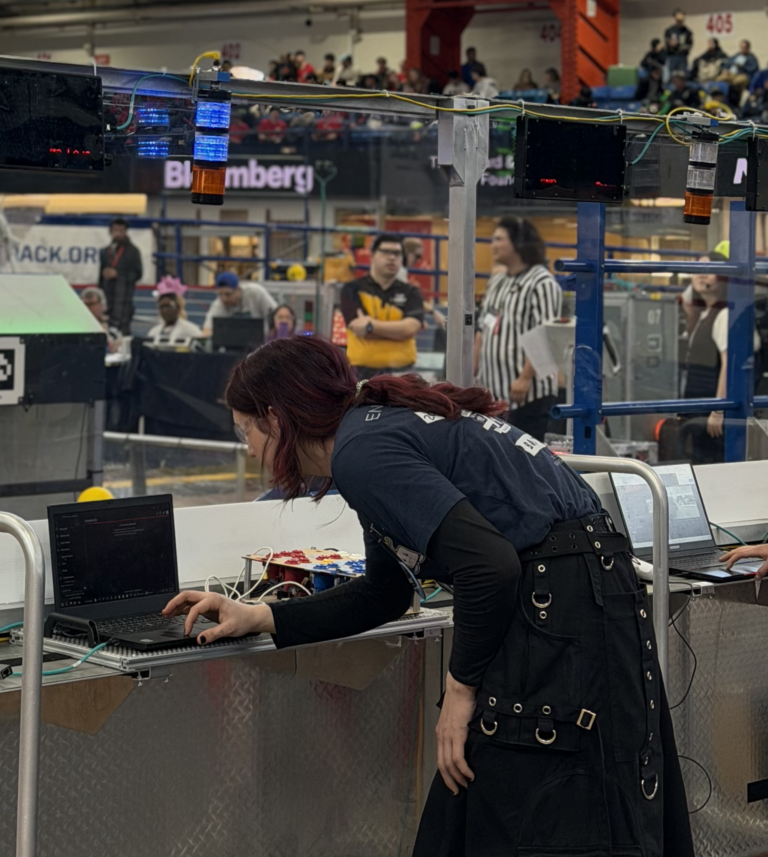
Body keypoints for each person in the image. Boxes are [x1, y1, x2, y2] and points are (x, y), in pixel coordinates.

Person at [162, 335, 694, 857]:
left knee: (533, 814)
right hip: (585, 600)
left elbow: (490, 565)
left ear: (276, 419)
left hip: (560, 618)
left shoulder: (363, 453)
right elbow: (383, 595)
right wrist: (260, 615)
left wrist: (458, 696)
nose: (250, 451)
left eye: (245, 433)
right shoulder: (375, 433)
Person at [475, 217, 561, 441]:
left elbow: (544, 333)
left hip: (529, 394)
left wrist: (524, 378)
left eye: (499, 239)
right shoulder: (497, 281)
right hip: (493, 391)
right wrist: (472, 371)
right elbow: (483, 326)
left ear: (519, 243)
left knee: (524, 457)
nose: (493, 245)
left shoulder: (542, 283)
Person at [678, 252, 760, 463]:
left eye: (710, 271)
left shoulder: (725, 314)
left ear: (723, 277)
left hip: (711, 414)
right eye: (697, 270)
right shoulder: (702, 313)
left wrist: (718, 410)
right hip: (698, 410)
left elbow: (729, 365)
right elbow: (687, 297)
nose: (701, 275)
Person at [341, 233, 424, 378]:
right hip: (361, 373)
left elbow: (411, 328)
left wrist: (370, 326)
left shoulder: (412, 292)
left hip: (403, 373)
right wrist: (398, 332)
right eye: (385, 252)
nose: (392, 257)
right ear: (372, 256)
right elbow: (357, 327)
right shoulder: (352, 289)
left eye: (397, 253)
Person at [98, 218, 142, 336]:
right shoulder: (106, 251)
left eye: (121, 230)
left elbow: (138, 274)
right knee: (106, 330)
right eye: (115, 230)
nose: (117, 233)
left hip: (124, 299)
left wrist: (118, 274)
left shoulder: (133, 251)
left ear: (125, 232)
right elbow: (100, 278)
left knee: (123, 333)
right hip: (108, 296)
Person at [202, 272, 277, 337]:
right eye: (220, 294)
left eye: (228, 294)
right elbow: (207, 329)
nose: (224, 299)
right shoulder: (218, 304)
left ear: (238, 289)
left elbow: (276, 313)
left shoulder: (256, 293)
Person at [146, 276, 202, 344]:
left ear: (178, 307)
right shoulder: (154, 332)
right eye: (162, 307)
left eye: (168, 306)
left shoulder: (191, 331)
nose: (165, 310)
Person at [80, 286, 121, 353]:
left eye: (92, 304)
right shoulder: (77, 326)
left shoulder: (112, 325)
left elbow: (116, 345)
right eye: (85, 305)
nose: (88, 308)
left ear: (101, 305)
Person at [722, 40, 760, 104]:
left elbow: (753, 69)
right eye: (741, 48)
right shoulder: (736, 56)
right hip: (731, 74)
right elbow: (728, 63)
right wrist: (725, 69)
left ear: (748, 48)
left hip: (743, 75)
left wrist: (742, 67)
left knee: (736, 83)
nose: (743, 49)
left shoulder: (751, 58)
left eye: (744, 48)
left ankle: (733, 102)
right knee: (719, 79)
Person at [663, 9, 693, 74]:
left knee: (682, 75)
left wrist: (683, 47)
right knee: (671, 76)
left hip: (682, 57)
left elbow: (690, 44)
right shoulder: (670, 30)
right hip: (672, 56)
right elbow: (667, 42)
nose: (679, 21)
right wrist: (670, 43)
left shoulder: (687, 31)